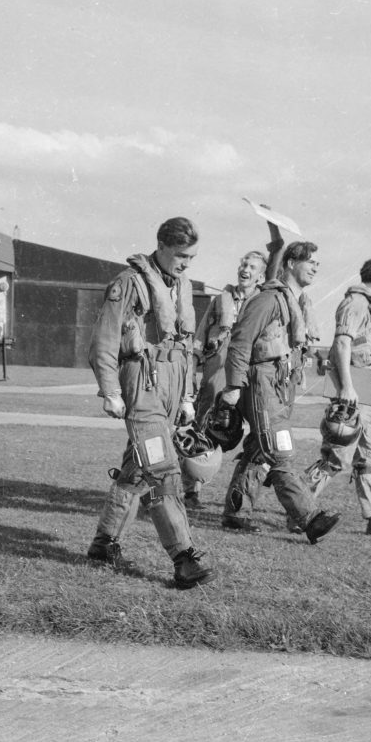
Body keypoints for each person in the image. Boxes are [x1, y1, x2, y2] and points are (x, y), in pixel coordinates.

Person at [87, 217, 214, 589]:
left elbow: (186, 347)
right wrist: (110, 391)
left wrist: (188, 396)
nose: (186, 263)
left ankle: (103, 543)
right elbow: (104, 340)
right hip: (141, 386)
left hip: (172, 392)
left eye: (191, 257)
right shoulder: (129, 283)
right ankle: (184, 558)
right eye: (181, 255)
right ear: (161, 246)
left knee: (137, 471)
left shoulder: (180, 286)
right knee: (161, 470)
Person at [217, 240, 341, 543]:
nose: (314, 268)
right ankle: (308, 518)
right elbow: (240, 341)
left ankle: (236, 513)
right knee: (280, 449)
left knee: (259, 450)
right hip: (261, 382)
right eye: (309, 261)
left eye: (317, 264)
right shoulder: (268, 300)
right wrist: (233, 387)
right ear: (289, 263)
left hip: (281, 384)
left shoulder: (297, 303)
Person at [304, 256, 371, 535]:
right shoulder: (356, 304)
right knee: (337, 455)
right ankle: (298, 506)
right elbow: (343, 343)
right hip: (356, 384)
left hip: (369, 382)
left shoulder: (370, 306)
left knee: (368, 455)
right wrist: (347, 387)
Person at [182, 248, 268, 510]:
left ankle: (240, 499)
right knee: (204, 427)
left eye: (252, 267)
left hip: (248, 371)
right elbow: (200, 335)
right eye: (243, 264)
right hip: (217, 370)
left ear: (261, 275)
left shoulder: (263, 302)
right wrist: (193, 367)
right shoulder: (221, 300)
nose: (245, 269)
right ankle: (190, 490)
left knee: (258, 431)